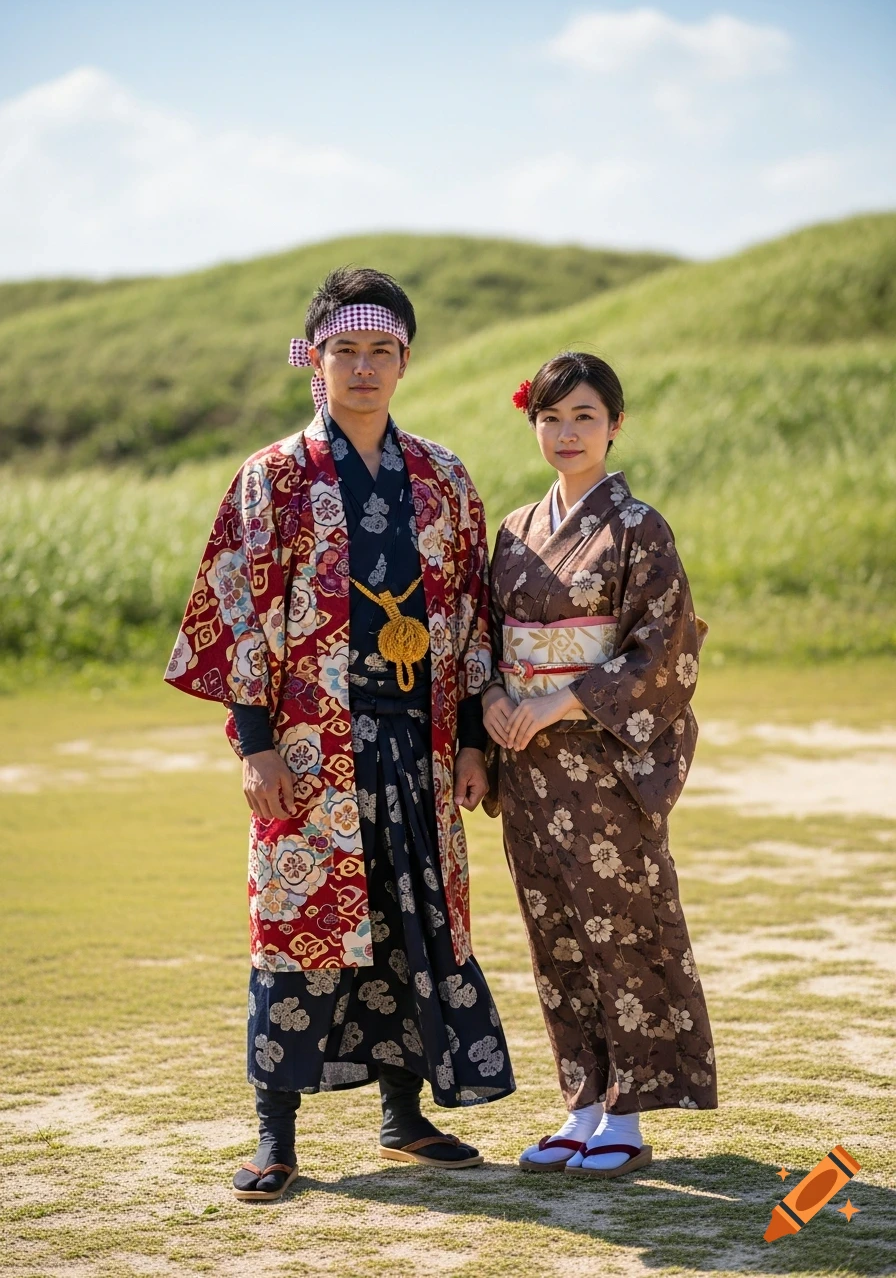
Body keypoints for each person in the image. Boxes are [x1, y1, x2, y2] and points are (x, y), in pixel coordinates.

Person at [165, 267, 514, 1201]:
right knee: (298, 931)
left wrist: (476, 740)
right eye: (345, 351)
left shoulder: (444, 478)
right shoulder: (271, 476)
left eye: (381, 352)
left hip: (422, 748)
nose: (363, 369)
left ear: (404, 363)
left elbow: (476, 618)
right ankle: (274, 1137)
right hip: (310, 753)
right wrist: (255, 743)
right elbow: (236, 612)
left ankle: (405, 1117)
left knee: (410, 929)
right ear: (314, 361)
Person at [482, 351, 715, 1179]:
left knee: (624, 926)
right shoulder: (512, 531)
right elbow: (483, 643)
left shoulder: (638, 527)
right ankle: (582, 1102)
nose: (566, 433)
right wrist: (491, 703)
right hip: (529, 770)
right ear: (534, 425)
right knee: (555, 936)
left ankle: (630, 1110)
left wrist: (559, 700)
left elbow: (666, 646)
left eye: (584, 416)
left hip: (605, 766)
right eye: (551, 418)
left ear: (615, 424)